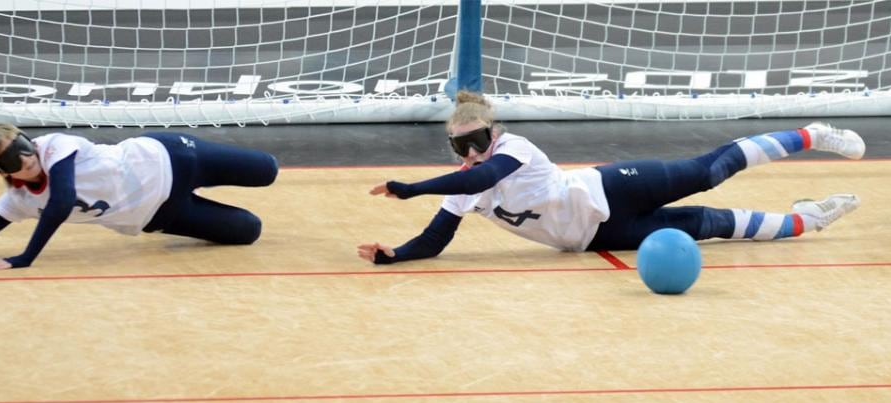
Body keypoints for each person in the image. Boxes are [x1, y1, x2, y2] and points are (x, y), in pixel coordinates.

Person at [358, 91, 863, 265]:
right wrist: (394, 255)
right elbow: (434, 239)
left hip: (613, 186)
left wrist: (413, 187)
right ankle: (810, 219)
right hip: (599, 234)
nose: (470, 153)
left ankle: (812, 134)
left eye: (476, 139)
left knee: (709, 171)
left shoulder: (513, 150)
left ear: (493, 131)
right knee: (709, 225)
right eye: (458, 146)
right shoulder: (462, 187)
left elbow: (479, 178)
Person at [0, 123, 279, 269]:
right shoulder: (20, 201)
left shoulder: (53, 147)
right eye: (10, 159)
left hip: (173, 158)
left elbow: (61, 202)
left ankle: (204, 180)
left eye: (23, 144)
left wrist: (25, 258)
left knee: (268, 170)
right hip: (161, 215)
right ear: (2, 172)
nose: (26, 157)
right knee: (249, 230)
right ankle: (195, 194)